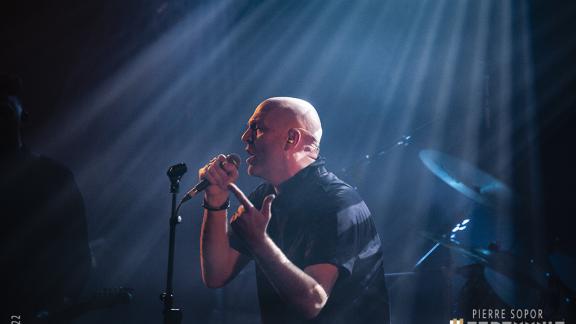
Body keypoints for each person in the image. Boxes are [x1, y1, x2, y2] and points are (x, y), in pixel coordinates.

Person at [198, 97, 389, 323]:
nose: (245, 137)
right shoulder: (265, 195)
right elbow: (216, 274)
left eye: (258, 128)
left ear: (292, 138)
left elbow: (313, 302)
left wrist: (260, 242)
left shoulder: (336, 203)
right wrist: (216, 200)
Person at [0, 74, 91, 323]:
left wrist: (58, 305)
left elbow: (78, 251)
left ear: (23, 116)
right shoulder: (54, 176)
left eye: (4, 110)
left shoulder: (55, 177)